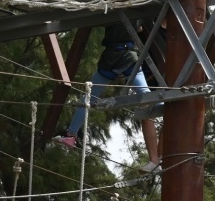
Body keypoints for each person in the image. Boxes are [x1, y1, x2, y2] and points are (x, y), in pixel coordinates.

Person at [53, 45, 162, 175]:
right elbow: (139, 28)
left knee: (88, 98)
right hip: (130, 57)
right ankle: (165, 105)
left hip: (112, 58)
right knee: (146, 95)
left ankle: (71, 134)